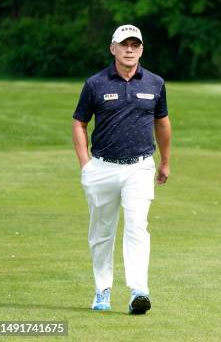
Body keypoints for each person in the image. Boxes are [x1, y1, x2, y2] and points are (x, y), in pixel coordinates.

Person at [72, 24, 172, 315]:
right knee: (102, 232)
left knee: (137, 226)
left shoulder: (155, 83)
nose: (130, 50)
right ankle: (102, 289)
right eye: (124, 45)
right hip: (102, 167)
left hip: (139, 167)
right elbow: (80, 122)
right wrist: (85, 164)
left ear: (141, 49)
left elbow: (162, 123)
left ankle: (139, 290)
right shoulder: (96, 83)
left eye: (135, 45)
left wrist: (164, 161)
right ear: (112, 48)